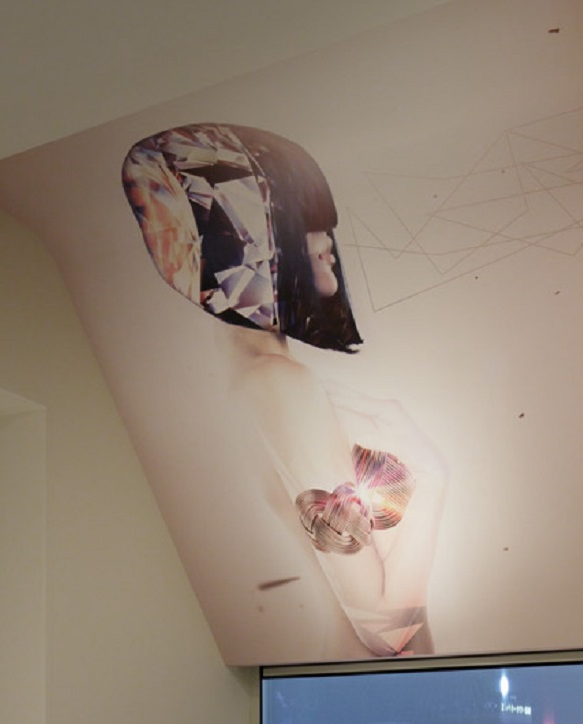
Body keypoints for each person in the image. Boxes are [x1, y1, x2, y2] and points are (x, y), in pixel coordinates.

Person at [123, 123, 444, 657]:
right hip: (374, 688)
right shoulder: (278, 384)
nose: (326, 242)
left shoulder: (240, 380)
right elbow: (387, 631)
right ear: (241, 239)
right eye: (304, 222)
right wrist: (432, 478)